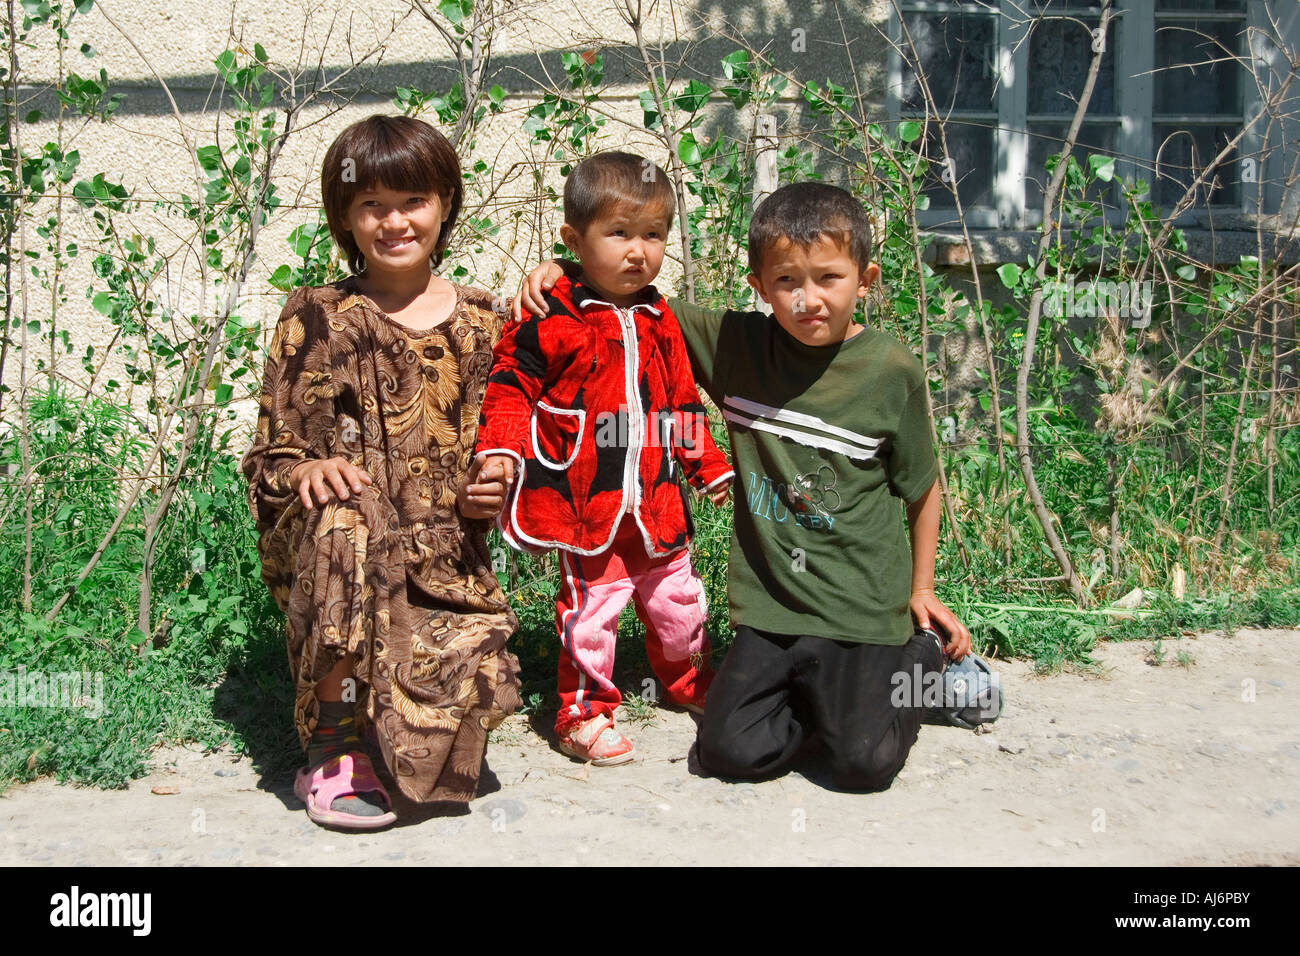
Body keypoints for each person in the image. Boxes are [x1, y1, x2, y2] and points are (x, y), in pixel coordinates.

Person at [515, 181, 974, 791]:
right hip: (771, 611)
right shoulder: (737, 345)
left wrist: (922, 589)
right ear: (759, 288)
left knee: (861, 764)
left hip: (862, 606)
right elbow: (625, 283)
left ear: (866, 280)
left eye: (829, 278)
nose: (808, 299)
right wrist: (563, 269)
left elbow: (922, 486)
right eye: (787, 282)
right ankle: (827, 703)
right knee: (730, 753)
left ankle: (921, 663)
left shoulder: (891, 370)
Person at [241, 115, 521, 830]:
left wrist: (497, 485)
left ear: (446, 204)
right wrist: (309, 470)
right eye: (372, 205)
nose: (394, 222)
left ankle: (386, 712)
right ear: (346, 216)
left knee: (431, 771)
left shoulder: (487, 321)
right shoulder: (317, 313)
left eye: (413, 201)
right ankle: (331, 740)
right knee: (345, 512)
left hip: (442, 562)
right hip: (336, 553)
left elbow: (512, 439)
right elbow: (272, 454)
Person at [470, 152, 734, 766]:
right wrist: (501, 451)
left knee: (680, 599)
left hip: (657, 500)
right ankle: (581, 710)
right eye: (618, 234)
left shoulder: (660, 316)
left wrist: (707, 466)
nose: (637, 252)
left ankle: (688, 679)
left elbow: (679, 400)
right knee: (593, 611)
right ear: (574, 239)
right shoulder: (551, 313)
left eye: (653, 236)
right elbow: (510, 384)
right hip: (588, 502)